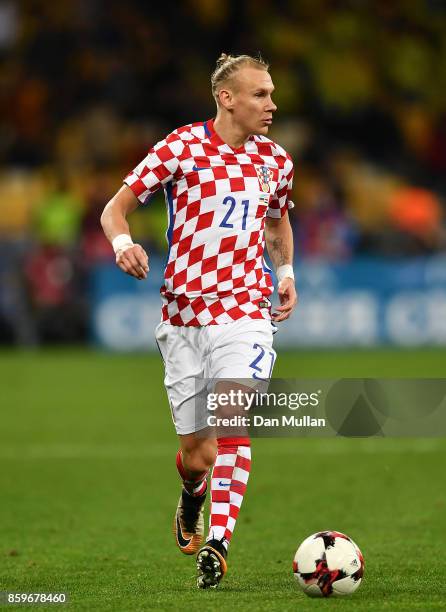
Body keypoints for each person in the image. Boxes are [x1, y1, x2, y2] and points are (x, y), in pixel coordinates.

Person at [101, 53, 297, 589]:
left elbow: (278, 221)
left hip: (245, 309)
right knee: (198, 453)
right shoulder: (180, 147)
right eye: (260, 94)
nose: (272, 104)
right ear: (226, 98)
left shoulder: (276, 162)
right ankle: (192, 493)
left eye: (272, 93)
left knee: (233, 422)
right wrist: (123, 243)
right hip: (183, 315)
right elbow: (112, 210)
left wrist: (285, 273)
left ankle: (218, 543)